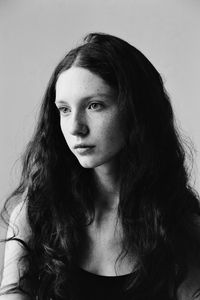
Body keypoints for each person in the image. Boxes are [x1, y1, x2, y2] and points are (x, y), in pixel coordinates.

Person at [0, 32, 200, 300]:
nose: (75, 128)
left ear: (135, 110)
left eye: (94, 105)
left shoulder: (180, 222)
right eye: (64, 109)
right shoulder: (34, 214)